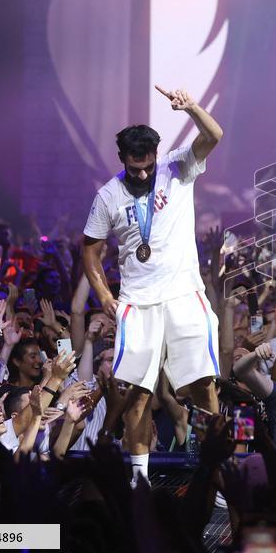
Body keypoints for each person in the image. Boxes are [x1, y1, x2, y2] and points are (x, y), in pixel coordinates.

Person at [81, 85, 223, 486]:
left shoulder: (178, 167)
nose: (142, 174)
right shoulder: (108, 195)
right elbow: (90, 250)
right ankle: (139, 483)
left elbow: (214, 136)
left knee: (203, 384)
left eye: (147, 166)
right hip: (137, 304)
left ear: (156, 156)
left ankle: (213, 473)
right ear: (121, 158)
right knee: (136, 395)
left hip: (184, 294)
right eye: (134, 167)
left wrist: (192, 107)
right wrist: (105, 296)